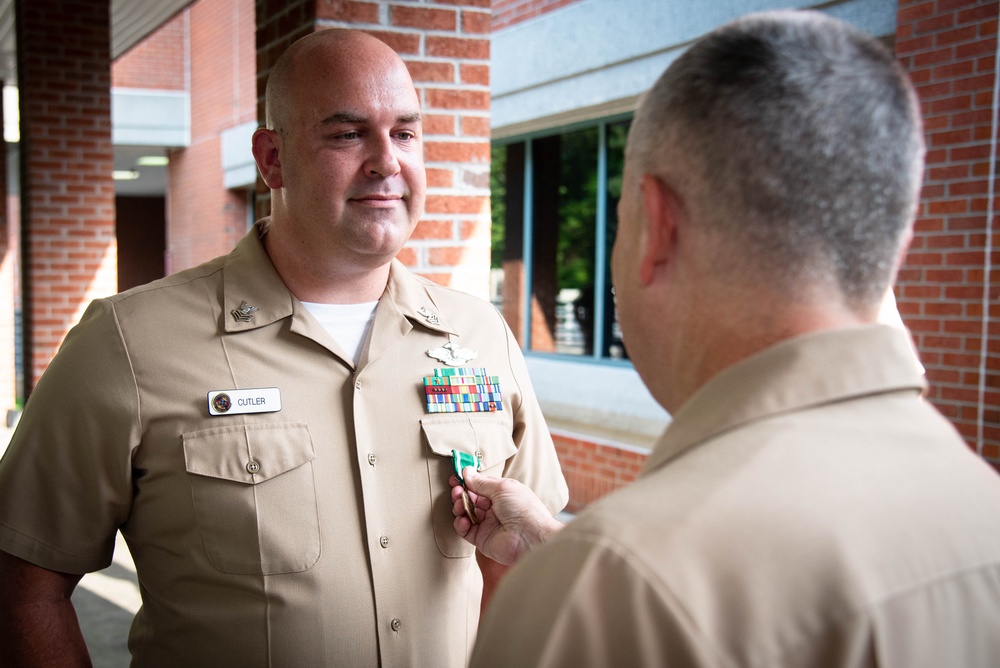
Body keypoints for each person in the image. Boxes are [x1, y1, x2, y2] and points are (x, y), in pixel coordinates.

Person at [0, 29, 567, 667]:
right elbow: (24, 585)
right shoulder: (126, 344)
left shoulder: (480, 336)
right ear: (272, 159)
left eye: (405, 133)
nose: (387, 161)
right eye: (348, 134)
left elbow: (511, 563)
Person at [450, 10, 1000, 667]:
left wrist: (571, 578)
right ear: (895, 243)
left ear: (657, 226)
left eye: (618, 222)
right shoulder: (980, 503)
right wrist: (551, 542)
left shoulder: (612, 592)